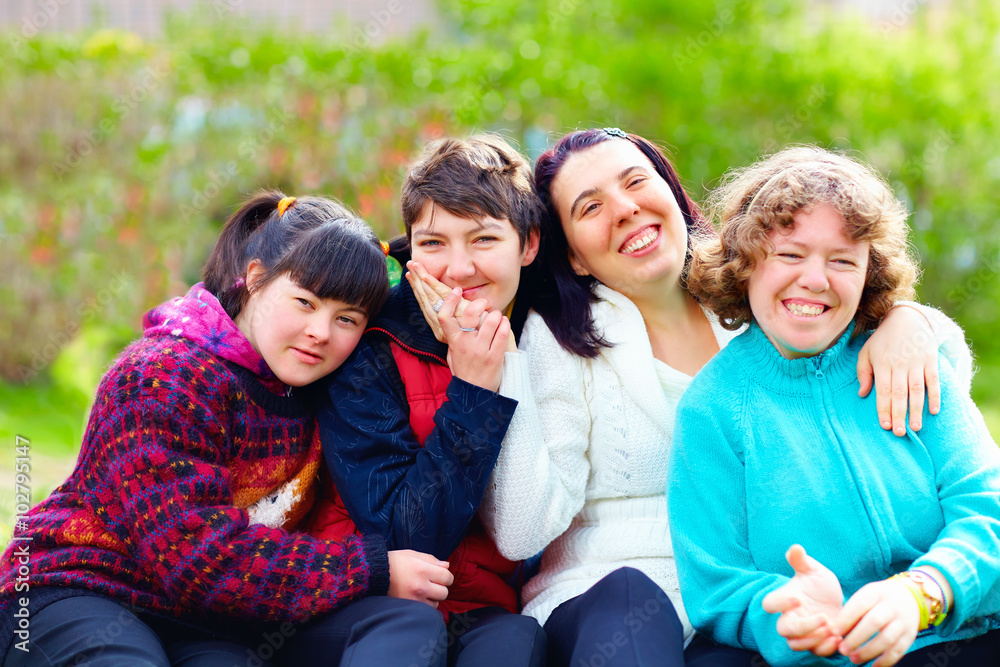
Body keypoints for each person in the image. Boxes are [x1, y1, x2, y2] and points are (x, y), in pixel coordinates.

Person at [478, 129, 972, 666]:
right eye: (590, 206)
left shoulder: (761, 294)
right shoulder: (562, 338)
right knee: (635, 606)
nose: (623, 209)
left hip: (768, 590)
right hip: (629, 597)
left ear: (670, 193)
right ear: (572, 255)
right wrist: (507, 374)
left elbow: (919, 369)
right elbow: (521, 529)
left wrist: (909, 318)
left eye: (635, 181)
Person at [0, 191, 456, 667]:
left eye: (347, 318)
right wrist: (370, 568)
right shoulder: (163, 376)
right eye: (304, 302)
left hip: (210, 618)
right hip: (78, 592)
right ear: (255, 280)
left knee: (405, 622)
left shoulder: (315, 391)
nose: (322, 331)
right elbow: (196, 558)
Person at [669, 146, 1000, 667]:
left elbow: (986, 503)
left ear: (868, 273)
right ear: (746, 261)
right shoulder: (712, 408)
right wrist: (791, 620)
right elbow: (718, 585)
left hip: (964, 629)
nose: (816, 280)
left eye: (843, 260)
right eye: (791, 254)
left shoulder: (908, 358)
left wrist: (924, 593)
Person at [309, 135, 547, 666]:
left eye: (483, 240)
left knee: (516, 642)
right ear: (411, 247)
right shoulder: (369, 345)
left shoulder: (549, 331)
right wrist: (473, 391)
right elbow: (405, 538)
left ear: (528, 245)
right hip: (371, 602)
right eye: (434, 243)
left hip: (486, 604)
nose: (458, 269)